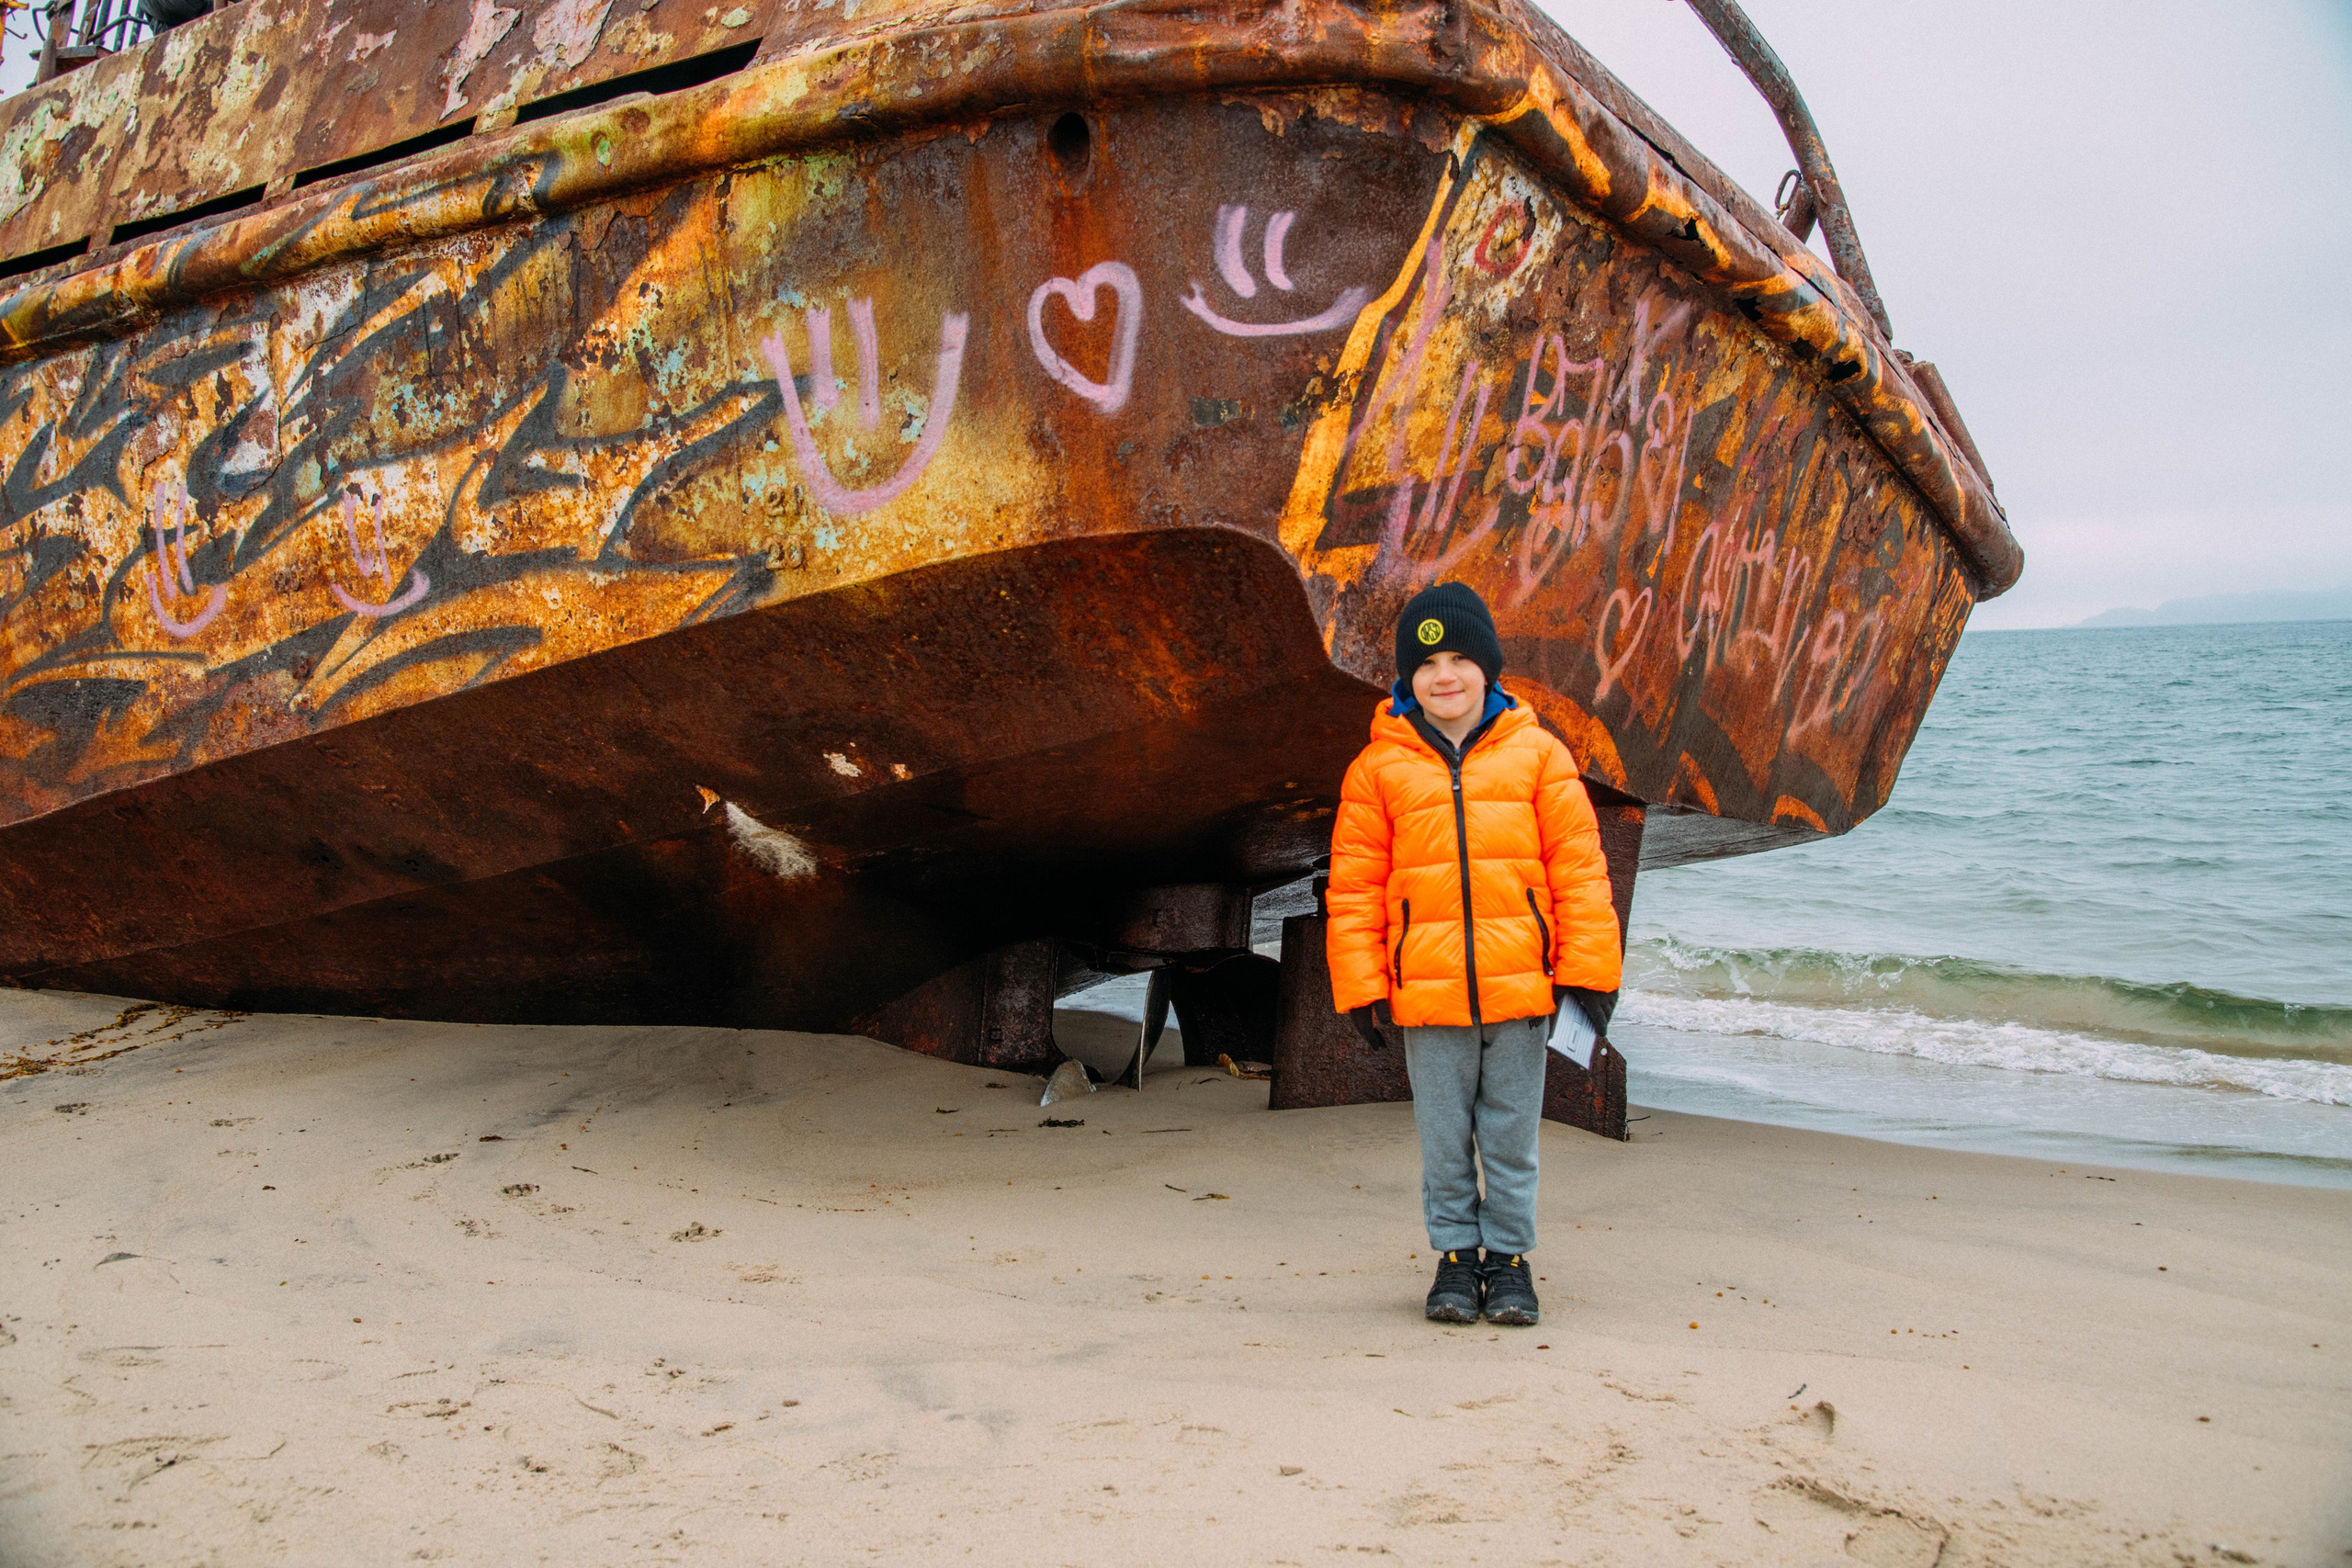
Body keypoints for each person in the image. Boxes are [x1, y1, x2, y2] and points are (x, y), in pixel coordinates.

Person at [1324, 581, 1622, 1326]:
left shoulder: (1540, 758)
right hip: (1428, 995)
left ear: (1489, 667)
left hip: (1521, 992)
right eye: (1427, 663)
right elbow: (1355, 887)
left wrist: (1587, 976)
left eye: (1461, 657)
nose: (1444, 675)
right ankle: (1456, 1257)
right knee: (1444, 1140)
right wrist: (1363, 984)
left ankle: (1510, 1260)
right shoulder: (1377, 770)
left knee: (1511, 1138)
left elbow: (1580, 871)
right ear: (1406, 677)